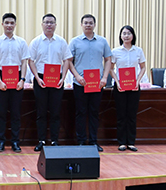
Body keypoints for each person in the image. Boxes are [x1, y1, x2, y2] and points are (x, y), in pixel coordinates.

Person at [27, 13, 72, 150]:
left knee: (55, 112)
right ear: (42, 24)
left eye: (51, 22)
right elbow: (30, 61)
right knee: (41, 112)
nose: (49, 25)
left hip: (57, 79)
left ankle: (54, 141)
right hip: (40, 78)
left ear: (55, 25)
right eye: (46, 22)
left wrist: (63, 78)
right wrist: (37, 77)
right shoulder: (36, 42)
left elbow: (67, 60)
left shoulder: (61, 41)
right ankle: (41, 140)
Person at [68, 14, 112, 152]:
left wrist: (105, 77)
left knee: (94, 112)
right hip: (80, 83)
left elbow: (108, 60)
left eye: (90, 23)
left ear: (94, 25)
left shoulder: (102, 41)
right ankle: (81, 141)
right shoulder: (75, 42)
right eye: (85, 23)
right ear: (81, 25)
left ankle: (93, 141)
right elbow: (68, 61)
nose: (88, 25)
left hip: (97, 84)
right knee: (80, 112)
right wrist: (77, 76)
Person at [0, 13, 29, 153]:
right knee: (1, 112)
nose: (9, 25)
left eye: (12, 23)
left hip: (17, 78)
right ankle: (1, 142)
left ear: (15, 25)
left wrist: (22, 80)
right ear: (2, 24)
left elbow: (24, 62)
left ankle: (15, 142)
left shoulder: (21, 42)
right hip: (2, 78)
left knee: (16, 113)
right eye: (7, 22)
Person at [109, 25, 146, 152]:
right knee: (121, 115)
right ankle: (121, 142)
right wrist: (117, 81)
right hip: (120, 86)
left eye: (129, 33)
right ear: (120, 36)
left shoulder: (138, 51)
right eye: (124, 33)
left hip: (134, 86)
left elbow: (143, 67)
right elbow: (110, 68)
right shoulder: (115, 51)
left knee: (131, 115)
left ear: (133, 36)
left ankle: (131, 142)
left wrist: (138, 81)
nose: (126, 36)